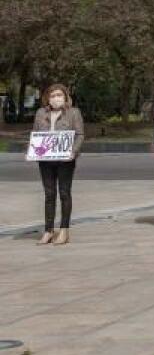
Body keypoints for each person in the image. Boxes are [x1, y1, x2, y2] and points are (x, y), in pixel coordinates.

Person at [33, 84, 84, 245]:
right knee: (49, 194)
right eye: (53, 95)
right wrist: (33, 150)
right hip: (46, 160)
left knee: (64, 193)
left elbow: (80, 135)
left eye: (59, 95)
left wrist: (73, 152)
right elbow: (35, 134)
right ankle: (48, 230)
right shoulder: (41, 113)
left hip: (65, 160)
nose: (56, 98)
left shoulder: (73, 113)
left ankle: (64, 230)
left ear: (65, 96)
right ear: (48, 98)